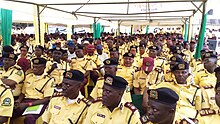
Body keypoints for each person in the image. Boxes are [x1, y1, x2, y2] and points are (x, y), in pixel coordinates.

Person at [12, 58, 54, 124]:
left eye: (38, 67)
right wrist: (18, 101)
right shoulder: (28, 76)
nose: (34, 69)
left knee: (29, 118)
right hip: (25, 101)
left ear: (44, 67)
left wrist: (28, 104)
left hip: (38, 103)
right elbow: (23, 93)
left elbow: (46, 99)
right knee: (9, 112)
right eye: (33, 67)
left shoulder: (49, 80)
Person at [194, 50, 219, 123]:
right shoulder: (199, 74)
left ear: (215, 62)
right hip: (205, 106)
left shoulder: (218, 74)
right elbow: (195, 89)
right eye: (204, 61)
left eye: (208, 61)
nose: (205, 63)